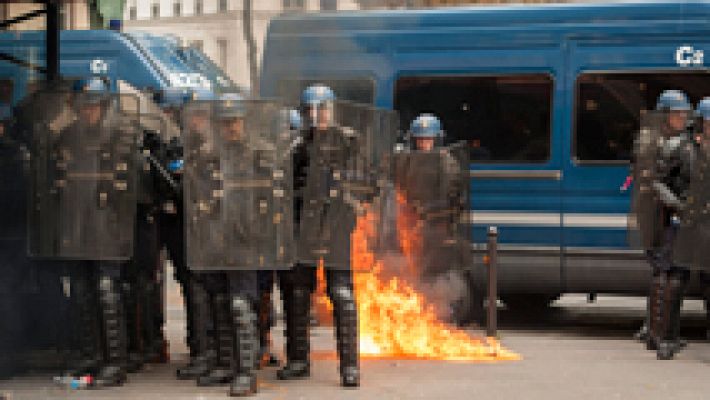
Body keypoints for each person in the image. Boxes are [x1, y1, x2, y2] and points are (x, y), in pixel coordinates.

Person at [277, 84, 360, 387]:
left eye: (322, 109)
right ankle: (298, 360)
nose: (317, 116)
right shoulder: (296, 145)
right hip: (305, 227)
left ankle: (350, 367)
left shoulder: (348, 141)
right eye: (311, 110)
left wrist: (351, 200)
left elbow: (366, 179)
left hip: (336, 225)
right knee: (298, 293)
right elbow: (283, 182)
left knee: (342, 294)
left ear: (332, 110)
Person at [637, 90, 694, 360]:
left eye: (684, 113)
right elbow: (652, 180)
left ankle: (655, 331)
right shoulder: (652, 140)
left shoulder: (671, 139)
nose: (682, 118)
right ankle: (657, 333)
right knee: (664, 270)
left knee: (663, 271)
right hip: (655, 211)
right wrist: (678, 205)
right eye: (676, 114)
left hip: (661, 209)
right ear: (664, 115)